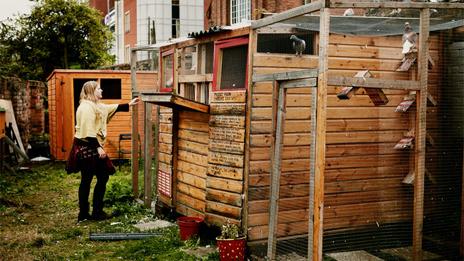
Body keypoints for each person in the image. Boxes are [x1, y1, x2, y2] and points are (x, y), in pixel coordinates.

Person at [67, 80, 139, 222]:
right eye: (99, 89)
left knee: (102, 176)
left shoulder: (96, 105)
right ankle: (84, 214)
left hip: (92, 145)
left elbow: (109, 108)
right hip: (86, 146)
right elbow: (88, 132)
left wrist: (128, 104)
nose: (101, 91)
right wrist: (98, 148)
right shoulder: (86, 107)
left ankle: (96, 212)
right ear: (91, 91)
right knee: (86, 180)